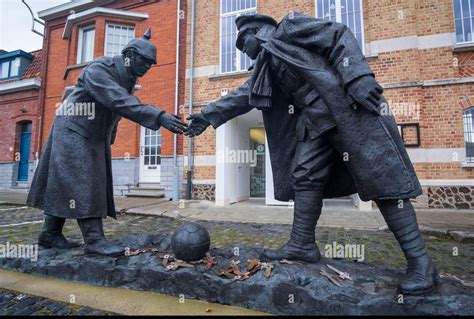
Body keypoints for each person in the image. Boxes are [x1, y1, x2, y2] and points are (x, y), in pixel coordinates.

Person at [185, 13, 437, 295]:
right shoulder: (265, 66)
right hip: (313, 121)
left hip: (343, 107)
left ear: (257, 32)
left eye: (244, 45)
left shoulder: (289, 28)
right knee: (304, 175)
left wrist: (358, 76)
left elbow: (338, 34)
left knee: (380, 179)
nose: (245, 53)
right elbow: (243, 95)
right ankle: (302, 243)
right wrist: (207, 116)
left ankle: (421, 263)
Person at [27, 28, 187, 257]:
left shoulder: (128, 78)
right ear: (130, 54)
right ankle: (94, 240)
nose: (147, 68)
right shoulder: (99, 69)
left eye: (151, 64)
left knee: (66, 183)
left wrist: (108, 139)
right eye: (145, 62)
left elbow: (115, 112)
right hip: (72, 130)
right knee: (85, 180)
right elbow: (118, 101)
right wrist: (159, 116)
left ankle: (50, 234)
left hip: (92, 135)